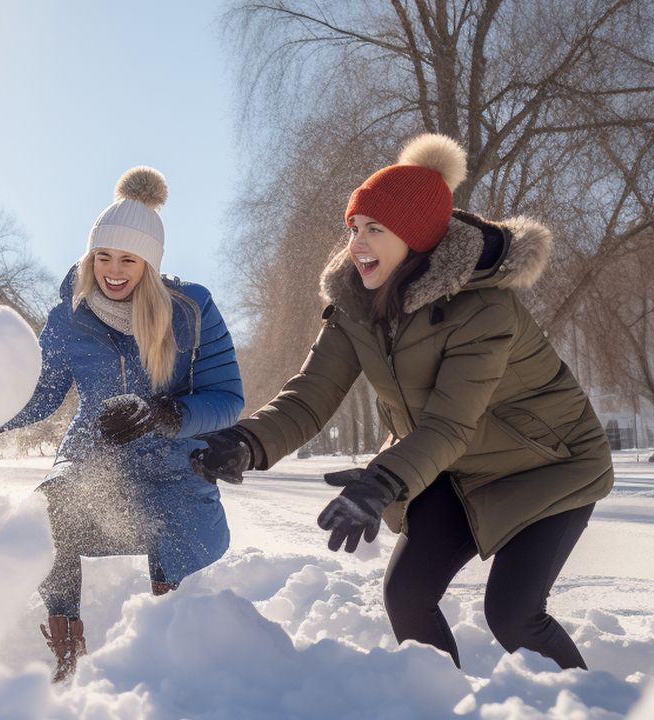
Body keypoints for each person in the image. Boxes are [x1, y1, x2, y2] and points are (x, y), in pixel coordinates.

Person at [193, 134, 613, 671]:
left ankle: (591, 704)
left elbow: (449, 422)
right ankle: (440, 703)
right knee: (407, 597)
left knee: (512, 613)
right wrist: (247, 441)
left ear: (416, 239)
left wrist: (384, 479)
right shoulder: (354, 306)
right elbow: (310, 396)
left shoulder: (484, 310)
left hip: (548, 465)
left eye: (375, 230)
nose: (357, 244)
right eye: (354, 229)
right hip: (449, 465)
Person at [0, 167, 243, 682]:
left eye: (127, 259)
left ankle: (164, 638)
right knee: (47, 513)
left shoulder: (191, 310)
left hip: (172, 459)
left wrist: (165, 415)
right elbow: (40, 393)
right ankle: (67, 648)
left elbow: (227, 399)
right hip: (92, 453)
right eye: (102, 256)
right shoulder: (71, 313)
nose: (113, 269)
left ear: (149, 263)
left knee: (178, 535)